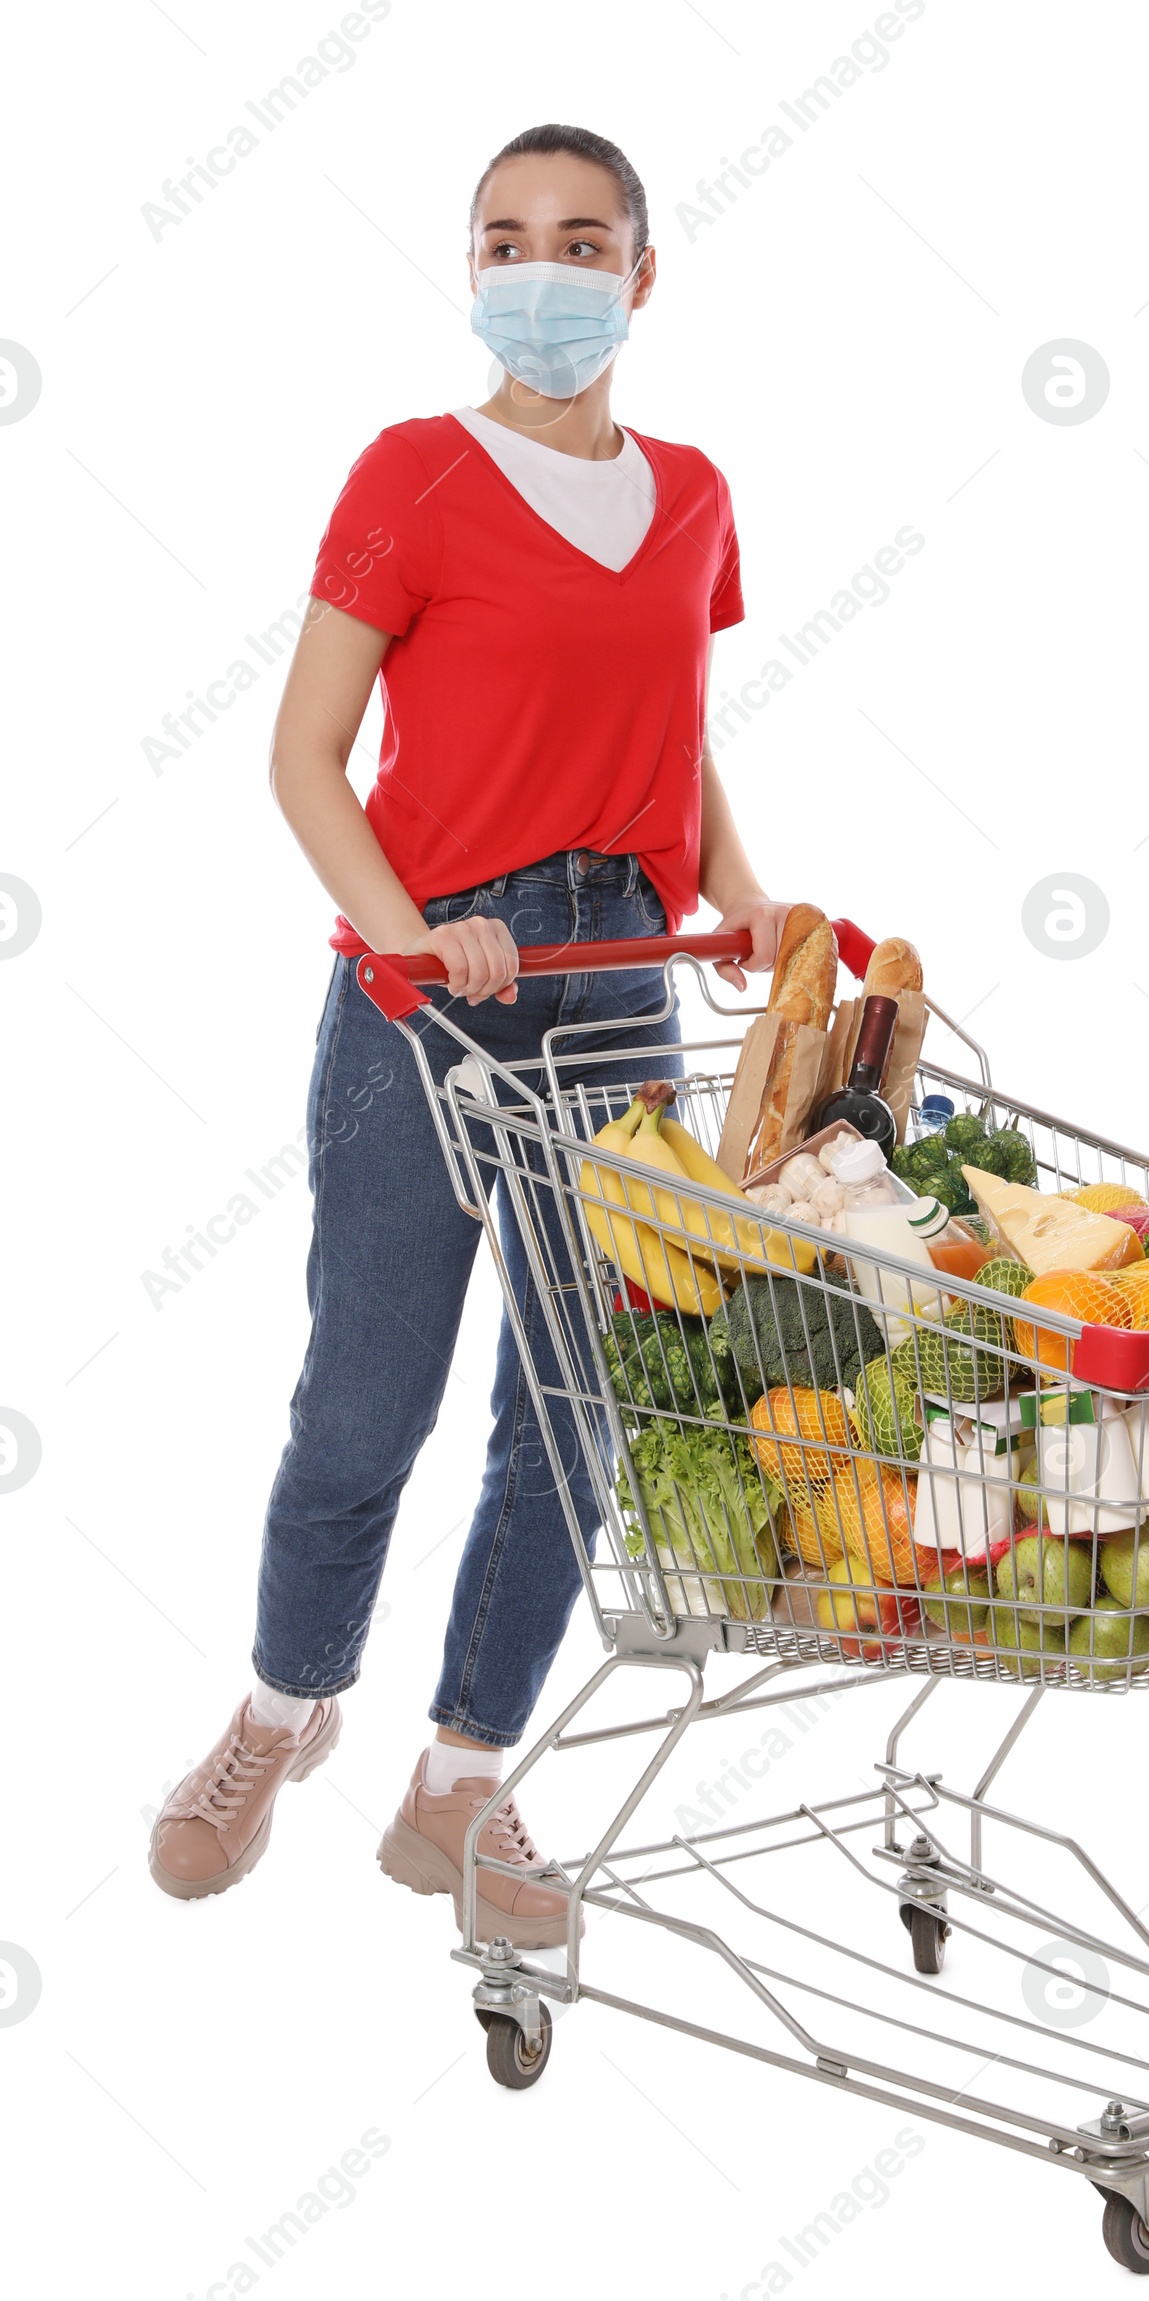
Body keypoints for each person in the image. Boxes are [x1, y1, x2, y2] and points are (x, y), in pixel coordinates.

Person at [150, 124, 786, 1945]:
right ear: (473, 264)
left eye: (583, 242)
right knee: (366, 1394)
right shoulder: (415, 476)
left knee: (572, 1402)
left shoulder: (695, 495)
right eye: (508, 238)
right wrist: (412, 930)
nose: (545, 270)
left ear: (642, 277)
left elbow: (672, 722)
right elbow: (303, 757)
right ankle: (282, 1714)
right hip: (432, 991)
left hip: (619, 988)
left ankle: (461, 1779)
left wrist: (739, 887)